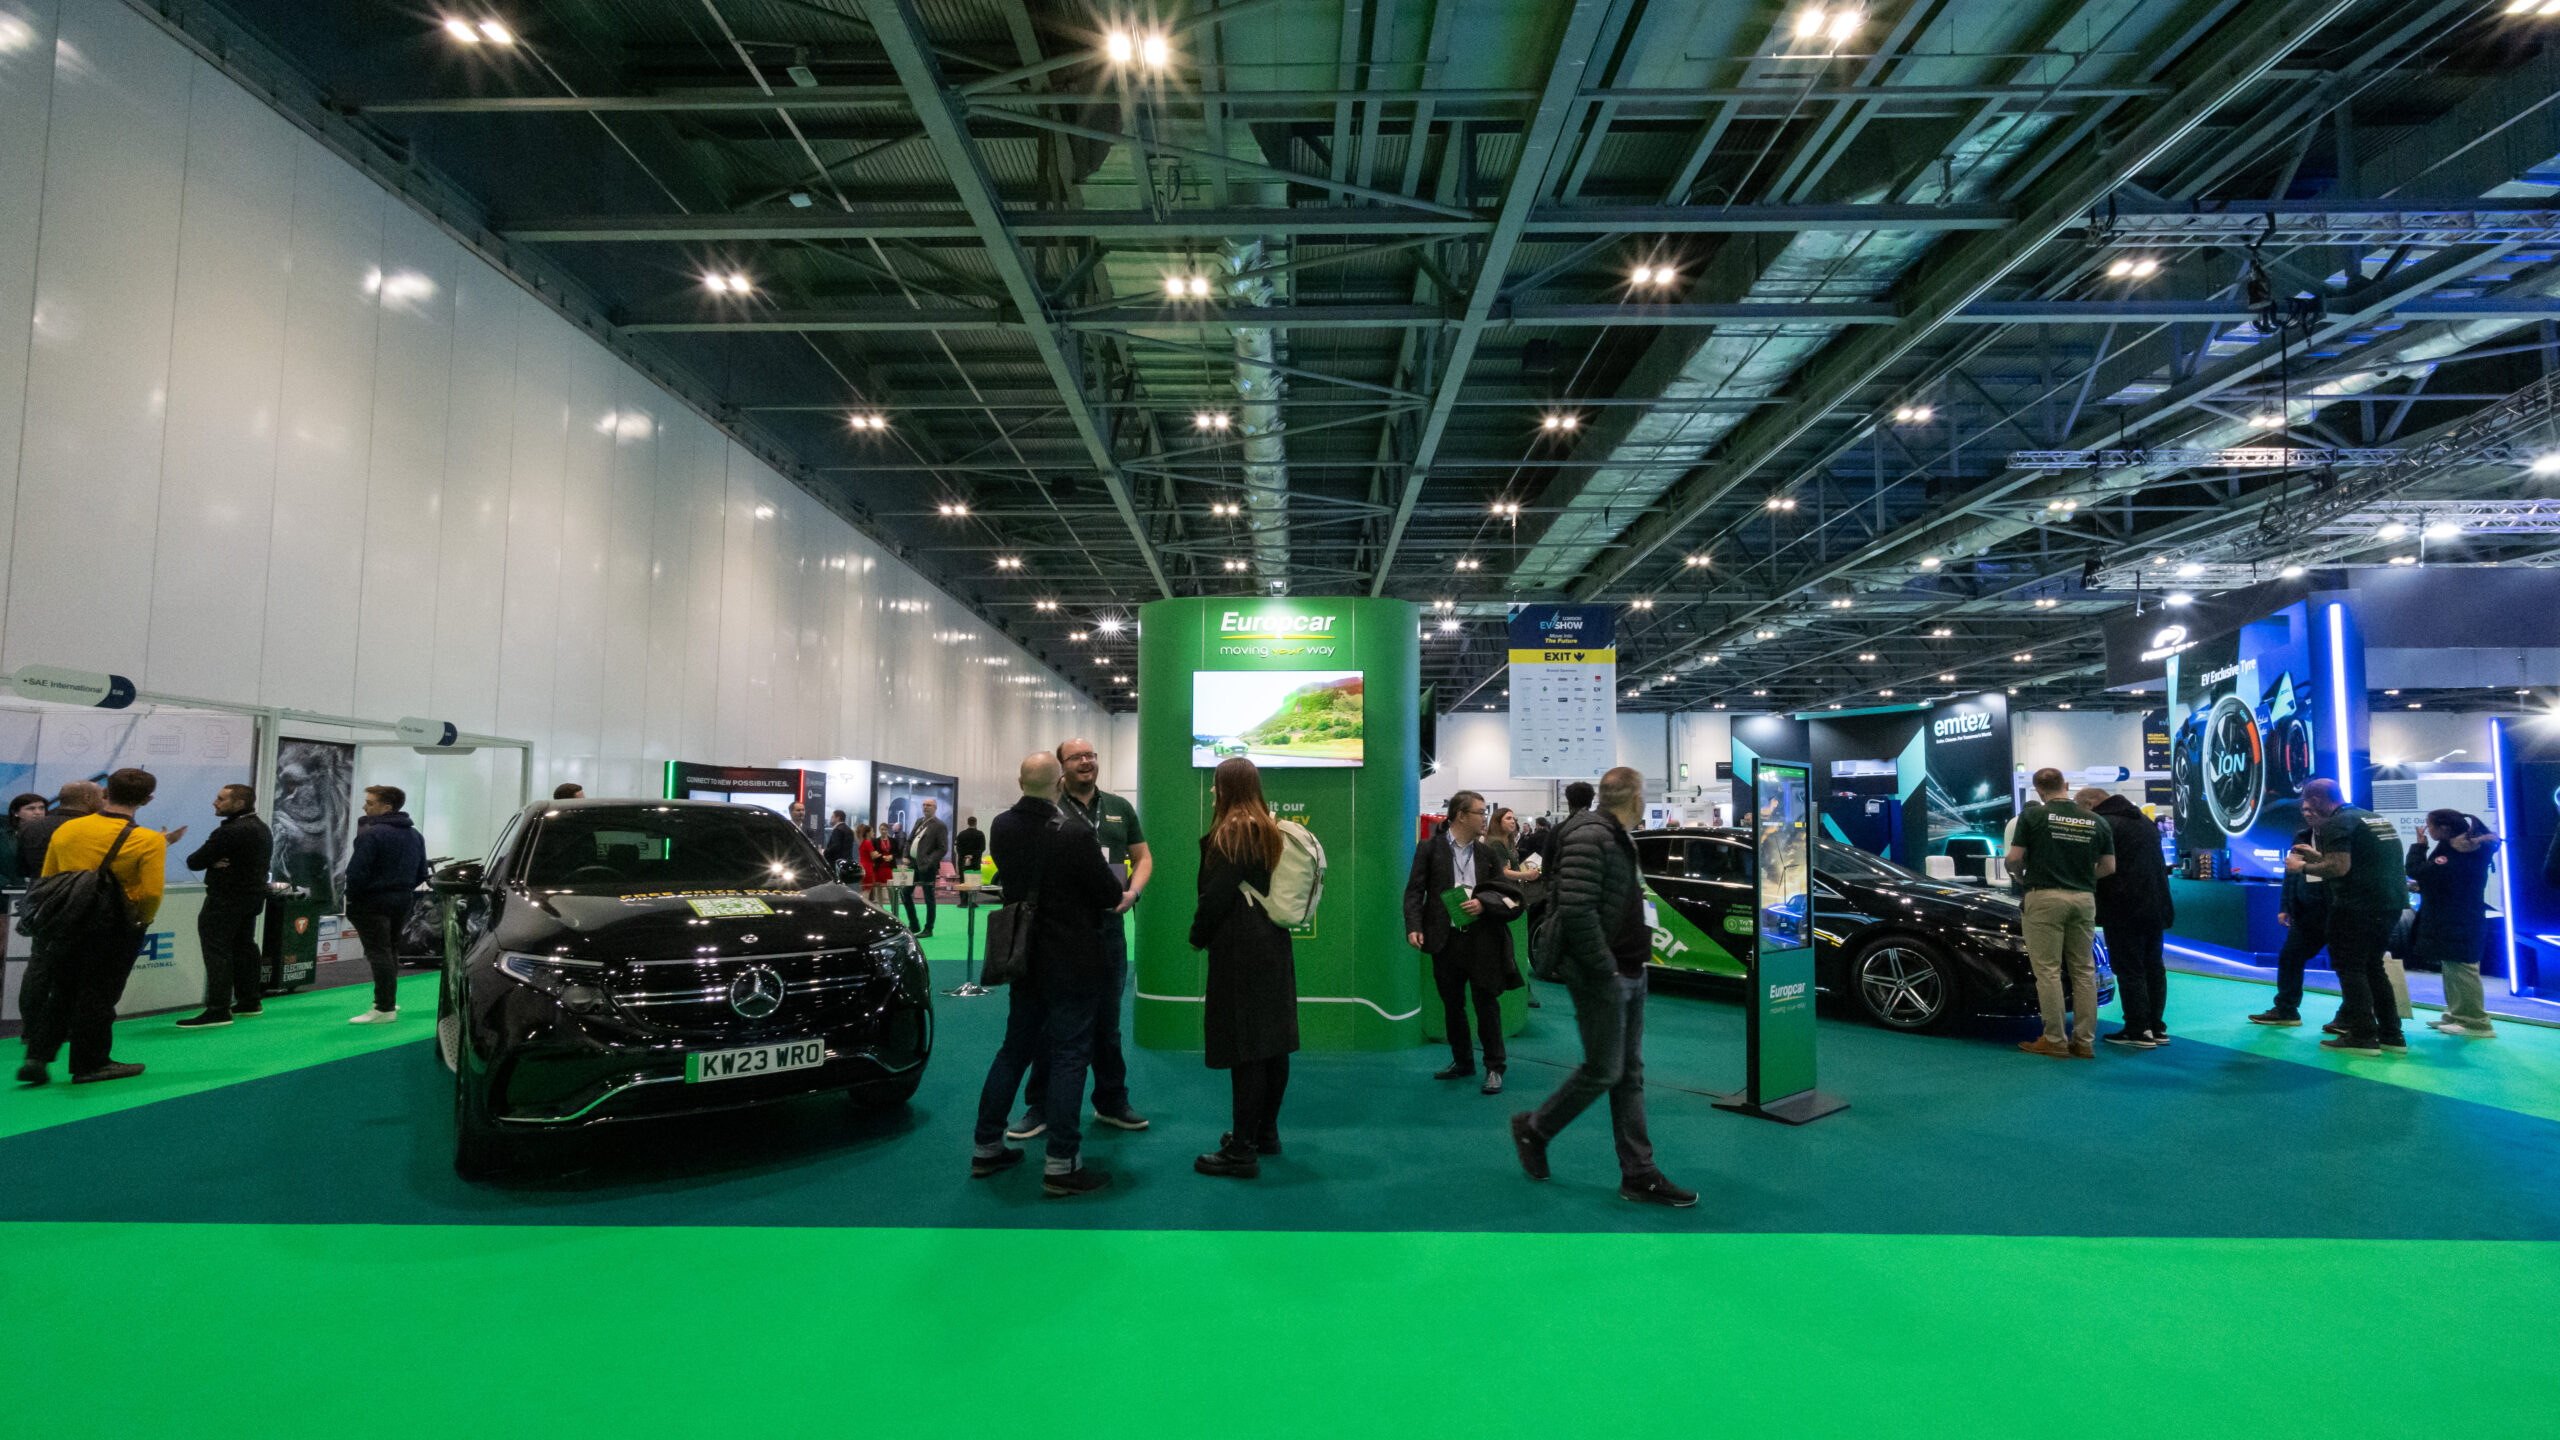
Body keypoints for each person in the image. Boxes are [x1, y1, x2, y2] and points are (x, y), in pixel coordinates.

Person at [1510, 766, 1695, 1207]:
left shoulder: (1615, 834)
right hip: (1603, 974)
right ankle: (1535, 1129)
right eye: (1645, 792)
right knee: (1604, 1070)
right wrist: (1605, 969)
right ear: (1633, 797)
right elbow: (1576, 909)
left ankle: (1639, 1174)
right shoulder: (1590, 835)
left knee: (1627, 1073)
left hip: (1629, 970)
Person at [969, 752, 1126, 1197]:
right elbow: (1108, 893)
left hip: (1024, 959)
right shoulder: (1074, 834)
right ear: (1059, 783)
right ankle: (1062, 1163)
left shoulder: (1000, 826)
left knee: (1014, 1050)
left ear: (1020, 781)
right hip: (1074, 960)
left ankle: (986, 1147)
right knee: (1071, 1055)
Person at [1010, 736, 1152, 1138]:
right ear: (1061, 768)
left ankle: (1111, 1101)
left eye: (1091, 756)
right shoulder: (1047, 809)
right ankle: (1039, 1106)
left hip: (1108, 931)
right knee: (1049, 1025)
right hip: (1058, 935)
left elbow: (1143, 857)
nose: (1087, 762)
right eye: (1076, 757)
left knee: (1107, 1024)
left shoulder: (1120, 808)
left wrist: (1133, 892)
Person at [18, 768, 173, 1086]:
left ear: (105, 793)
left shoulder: (69, 830)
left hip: (66, 921)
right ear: (148, 799)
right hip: (116, 926)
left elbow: (49, 875)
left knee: (61, 989)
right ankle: (91, 1063)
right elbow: (152, 892)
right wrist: (142, 919)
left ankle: (38, 1056)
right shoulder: (148, 840)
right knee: (99, 995)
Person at [1188, 757, 1300, 1178]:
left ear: (1227, 786)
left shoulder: (1231, 832)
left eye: (1217, 784)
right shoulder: (1268, 827)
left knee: (1246, 1048)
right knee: (1273, 1043)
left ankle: (1241, 1149)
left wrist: (1198, 936)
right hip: (1272, 941)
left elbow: (1214, 897)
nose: (1214, 791)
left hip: (1240, 948)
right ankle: (1264, 1133)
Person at [1404, 789, 1526, 1093]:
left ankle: (1494, 1067)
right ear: (1461, 816)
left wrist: (1483, 902)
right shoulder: (1429, 849)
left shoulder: (1486, 853)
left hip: (1482, 937)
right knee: (1452, 1005)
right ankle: (1462, 1062)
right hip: (1445, 939)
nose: (1485, 817)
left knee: (1486, 1003)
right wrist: (1414, 925)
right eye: (1480, 812)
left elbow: (1501, 890)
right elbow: (1414, 891)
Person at [2293, 778, 2410, 1056]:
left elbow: (2339, 867)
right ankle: (2391, 1034)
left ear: (2317, 800)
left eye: (2307, 803)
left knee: (2351, 967)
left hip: (2357, 907)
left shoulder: (2336, 823)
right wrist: (2315, 856)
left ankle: (2362, 1035)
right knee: (2373, 967)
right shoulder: (2373, 819)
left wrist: (2300, 867)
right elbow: (2361, 860)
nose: (2306, 809)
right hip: (2390, 905)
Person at [2006, 768, 2115, 1059]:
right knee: (2084, 971)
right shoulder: (2096, 820)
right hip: (2083, 898)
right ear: (2066, 785)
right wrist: (2082, 877)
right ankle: (2084, 1042)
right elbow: (2109, 867)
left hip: (2044, 896)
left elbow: (2015, 859)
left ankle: (2054, 1039)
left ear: (2038, 791)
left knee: (2049, 972)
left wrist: (2018, 874)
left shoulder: (2032, 816)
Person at [2078, 787, 2175, 1048]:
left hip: (2124, 907)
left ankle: (2137, 1029)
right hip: (2155, 905)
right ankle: (2156, 1027)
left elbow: (2101, 866)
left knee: (2129, 968)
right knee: (2154, 966)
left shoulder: (2104, 824)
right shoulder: (2142, 820)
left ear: (2090, 803)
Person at [174, 783, 274, 1029]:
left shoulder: (230, 832)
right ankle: (250, 1001)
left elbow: (195, 861)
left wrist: (212, 863)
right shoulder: (261, 828)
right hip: (251, 899)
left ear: (239, 804)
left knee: (218, 952)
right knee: (244, 947)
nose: (214, 803)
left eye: (221, 799)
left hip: (225, 900)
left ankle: (218, 1009)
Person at [2409, 809, 2499, 1039]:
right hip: (2457, 916)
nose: (2428, 830)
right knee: (2452, 968)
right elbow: (2447, 879)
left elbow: (2417, 870)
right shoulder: (2463, 848)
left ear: (2445, 829)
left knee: (2463, 969)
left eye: (2430, 826)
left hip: (2458, 918)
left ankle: (2476, 1022)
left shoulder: (2456, 850)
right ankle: (2457, 1015)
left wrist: (2419, 846)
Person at [342, 785, 428, 1025]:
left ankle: (384, 1008)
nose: (364, 806)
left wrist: (355, 897)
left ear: (386, 807)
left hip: (371, 902)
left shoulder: (371, 834)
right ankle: (387, 1000)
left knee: (379, 952)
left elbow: (356, 872)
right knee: (389, 951)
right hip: (402, 901)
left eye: (370, 802)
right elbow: (422, 872)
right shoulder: (415, 835)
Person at [2250, 822, 2335, 1027]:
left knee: (2347, 965)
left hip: (2336, 909)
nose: (2308, 813)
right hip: (2307, 910)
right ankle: (2286, 1009)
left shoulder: (2339, 835)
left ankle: (2351, 1017)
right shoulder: (2302, 836)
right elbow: (2291, 873)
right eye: (2305, 809)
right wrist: (2285, 905)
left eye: (2312, 808)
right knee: (2290, 956)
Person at [17, 782, 98, 883]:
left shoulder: (29, 828)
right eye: (101, 796)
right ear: (88, 798)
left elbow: (23, 869)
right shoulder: (96, 827)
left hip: (40, 891)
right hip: (83, 891)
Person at [902, 799, 948, 937]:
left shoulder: (939, 825)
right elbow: (909, 840)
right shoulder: (919, 821)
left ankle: (929, 928)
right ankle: (914, 924)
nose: (925, 807)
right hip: (913, 865)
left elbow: (943, 848)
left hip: (927, 867)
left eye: (928, 805)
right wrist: (906, 855)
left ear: (935, 808)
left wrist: (929, 861)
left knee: (929, 897)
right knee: (904, 893)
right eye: (924, 805)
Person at [0, 791, 47, 890]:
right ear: (16, 813)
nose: (38, 812)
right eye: (31, 808)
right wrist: (6, 884)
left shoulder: (52, 835)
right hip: (8, 892)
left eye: (41, 808)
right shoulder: (3, 837)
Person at [861, 822, 897, 907]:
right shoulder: (874, 841)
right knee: (877, 888)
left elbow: (897, 852)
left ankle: (893, 906)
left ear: (888, 830)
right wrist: (881, 856)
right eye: (881, 829)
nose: (883, 831)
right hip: (879, 867)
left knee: (891, 887)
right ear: (879, 830)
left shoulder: (893, 841)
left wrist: (891, 856)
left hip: (889, 867)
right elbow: (872, 855)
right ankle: (880, 906)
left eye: (885, 829)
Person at [822, 809, 856, 879]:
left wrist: (825, 852)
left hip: (836, 862)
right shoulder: (849, 830)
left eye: (833, 817)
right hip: (847, 861)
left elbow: (835, 846)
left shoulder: (838, 830)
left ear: (838, 818)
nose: (831, 818)